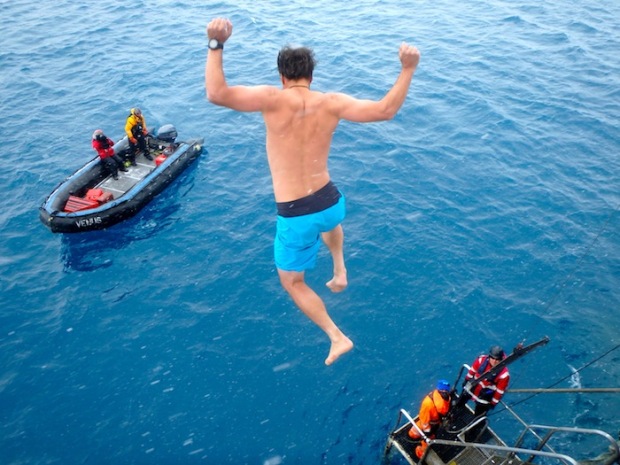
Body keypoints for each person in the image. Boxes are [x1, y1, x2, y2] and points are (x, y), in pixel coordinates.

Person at [205, 17, 420, 366]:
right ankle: (339, 267)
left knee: (293, 282)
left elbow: (216, 93)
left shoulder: (271, 99)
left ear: (282, 76)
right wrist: (408, 68)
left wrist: (216, 44)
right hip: (330, 200)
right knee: (328, 221)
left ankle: (336, 337)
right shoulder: (331, 102)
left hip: (296, 212)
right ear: (311, 76)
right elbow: (386, 110)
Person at [456, 345, 510, 416]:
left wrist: (493, 403)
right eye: (493, 358)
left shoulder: (504, 375)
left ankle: (475, 424)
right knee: (460, 403)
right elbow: (472, 371)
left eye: (497, 359)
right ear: (489, 357)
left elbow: (499, 392)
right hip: (472, 387)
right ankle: (454, 414)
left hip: (484, 396)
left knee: (478, 415)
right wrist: (466, 380)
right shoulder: (481, 360)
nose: (494, 361)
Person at [408, 380, 452, 459]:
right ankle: (420, 453)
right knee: (414, 434)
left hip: (436, 422)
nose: (444, 392)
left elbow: (444, 409)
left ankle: (421, 450)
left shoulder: (447, 398)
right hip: (427, 423)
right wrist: (427, 432)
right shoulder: (428, 404)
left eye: (446, 390)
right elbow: (424, 420)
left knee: (429, 438)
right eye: (442, 390)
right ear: (438, 390)